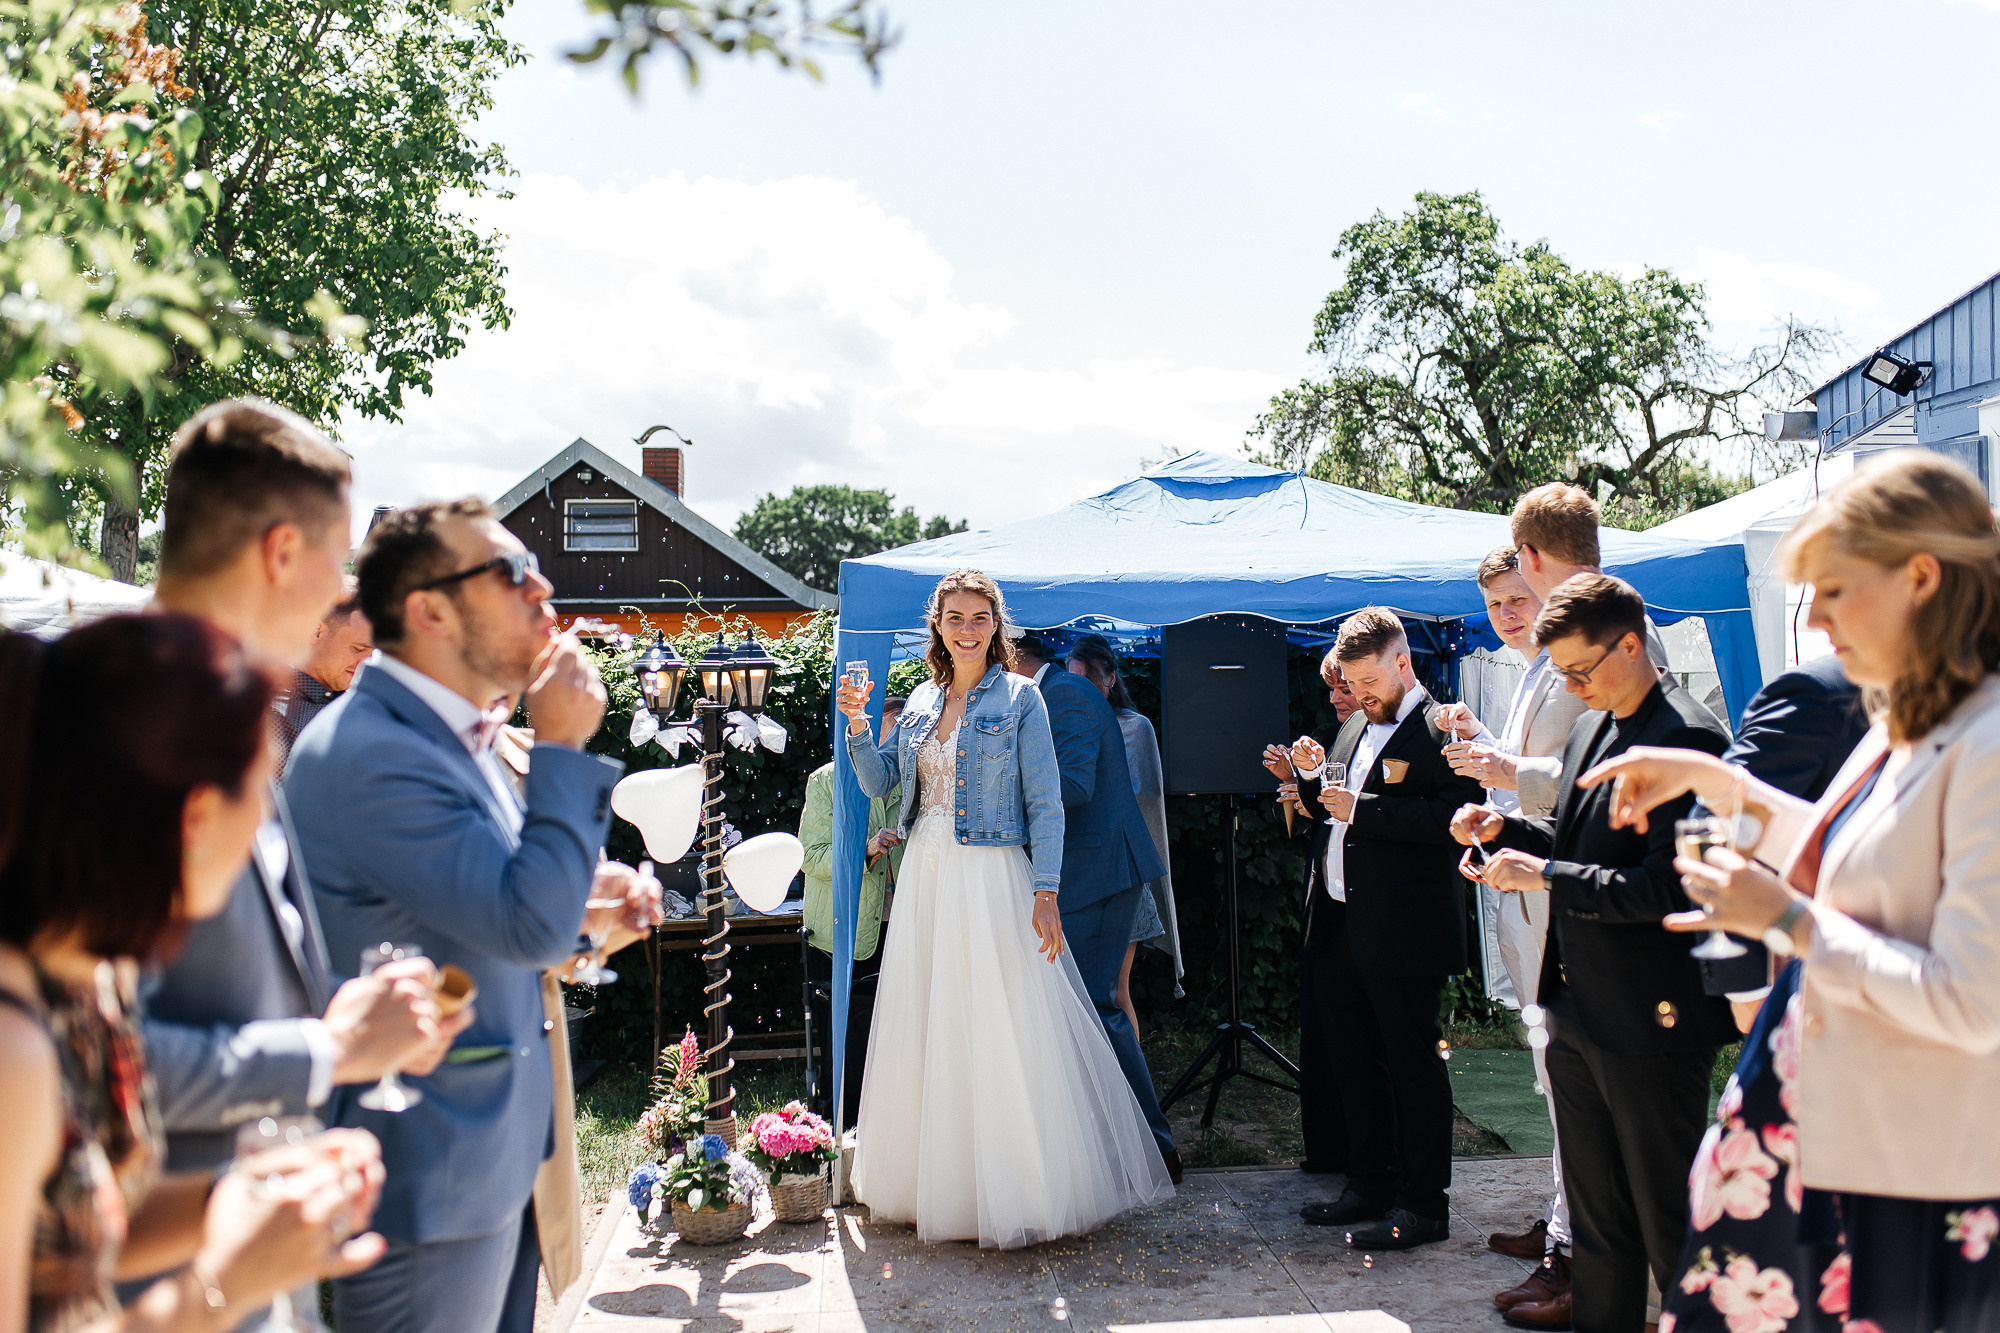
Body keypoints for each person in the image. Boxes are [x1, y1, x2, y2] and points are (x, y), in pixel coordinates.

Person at [1582, 451, 2000, 1332]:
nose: (1815, 618)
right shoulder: (1910, 719)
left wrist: (1790, 922)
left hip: (1913, 1176)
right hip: (1838, 1143)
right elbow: (1837, 850)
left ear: (1922, 576)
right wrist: (1715, 780)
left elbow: (1971, 1001)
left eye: (1836, 589)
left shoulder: (1988, 744)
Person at [285, 499, 657, 1333]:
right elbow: (520, 922)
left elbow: (496, 918)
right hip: (427, 1172)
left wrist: (586, 916)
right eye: (510, 572)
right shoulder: (371, 750)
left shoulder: (457, 739)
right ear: (428, 609)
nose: (543, 587)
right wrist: (561, 746)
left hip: (493, 1152)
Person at [137, 400, 461, 1332]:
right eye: (338, 561)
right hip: (157, 1278)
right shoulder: (142, 737)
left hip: (260, 1252)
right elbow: (109, 1055)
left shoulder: (232, 715)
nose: (349, 587)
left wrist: (348, 1024)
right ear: (283, 554)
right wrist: (332, 1050)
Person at [0, 614, 388, 1331]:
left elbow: (76, 1225)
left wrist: (238, 1193)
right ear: (196, 816)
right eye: (262, 789)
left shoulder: (84, 984)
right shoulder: (13, 1050)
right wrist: (223, 1284)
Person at [840, 569, 1173, 1247]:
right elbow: (883, 784)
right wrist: (855, 725)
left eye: (980, 617)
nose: (968, 629)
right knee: (931, 1022)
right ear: (937, 624)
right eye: (956, 617)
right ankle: (936, 1181)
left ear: (998, 625)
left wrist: (1045, 890)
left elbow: (1047, 801)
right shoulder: (926, 702)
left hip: (993, 873)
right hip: (927, 879)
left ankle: (1014, 1185)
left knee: (999, 1023)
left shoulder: (1023, 697)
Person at [1452, 574, 1734, 1333]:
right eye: (1563, 675)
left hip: (1653, 1015)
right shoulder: (1589, 727)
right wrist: (1505, 832)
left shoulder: (1692, 737)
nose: (1572, 686)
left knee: (1669, 1224)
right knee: (1601, 1230)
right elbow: (1573, 845)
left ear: (1633, 643)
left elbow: (1671, 888)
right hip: (1576, 1006)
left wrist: (1545, 872)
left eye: (1581, 670)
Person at [1292, 608, 1485, 1251]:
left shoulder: (1442, 729)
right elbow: (1334, 811)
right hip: (1342, 921)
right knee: (1353, 1059)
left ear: (1404, 662)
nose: (1361, 694)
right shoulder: (1354, 726)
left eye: (1370, 680)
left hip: (1407, 931)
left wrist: (1365, 810)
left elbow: (1455, 817)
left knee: (1413, 1067)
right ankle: (1368, 1183)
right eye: (1352, 682)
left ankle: (1425, 1205)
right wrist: (1314, 775)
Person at [1435, 546, 1590, 1307]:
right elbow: (1528, 781)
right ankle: (1562, 1214)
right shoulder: (1531, 670)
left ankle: (1575, 1241)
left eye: (1516, 598)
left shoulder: (1573, 665)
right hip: (1522, 890)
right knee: (1547, 1070)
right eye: (1495, 604)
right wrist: (1492, 816)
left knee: (1568, 1070)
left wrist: (1495, 773)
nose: (1506, 615)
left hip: (1562, 896)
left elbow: (1567, 785)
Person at [1009, 632, 1181, 1182]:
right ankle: (1104, 1141)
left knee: (1097, 1008)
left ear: (1014, 659)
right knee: (1078, 1010)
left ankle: (1154, 1150)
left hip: (1099, 872)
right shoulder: (1051, 694)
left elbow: (1076, 786)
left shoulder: (1066, 695)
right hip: (1082, 871)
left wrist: (995, 793)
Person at [1262, 651, 1362, 1178]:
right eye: (1332, 690)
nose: (1336, 699)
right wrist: (1296, 785)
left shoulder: (1370, 737)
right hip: (1322, 893)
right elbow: (1304, 824)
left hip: (1356, 900)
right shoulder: (1334, 738)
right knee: (1321, 1028)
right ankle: (1327, 1149)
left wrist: (1308, 795)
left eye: (1345, 688)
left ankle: (1354, 1154)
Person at [1063, 634, 1184, 1031]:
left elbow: (1143, 803)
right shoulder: (1059, 724)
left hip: (1120, 875)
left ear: (1110, 678)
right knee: (1072, 991)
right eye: (1072, 678)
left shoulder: (1135, 728)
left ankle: (1128, 1088)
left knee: (1114, 991)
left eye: (1088, 678)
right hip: (1074, 878)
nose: (1079, 688)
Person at [800, 694, 907, 1128]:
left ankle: (890, 1125)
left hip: (904, 925)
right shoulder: (827, 781)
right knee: (849, 1037)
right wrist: (865, 852)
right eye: (893, 728)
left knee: (899, 1033)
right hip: (845, 931)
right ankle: (842, 1123)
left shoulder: (912, 781)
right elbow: (811, 856)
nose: (902, 740)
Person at [1512, 482, 1674, 674]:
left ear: (1531, 557)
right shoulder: (1610, 618)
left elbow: (1651, 701)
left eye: (1517, 559)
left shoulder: (1611, 622)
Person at [271, 577, 374, 776]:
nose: (367, 662)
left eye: (373, 652)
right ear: (316, 631)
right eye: (358, 649)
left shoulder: (367, 703)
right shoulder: (275, 715)